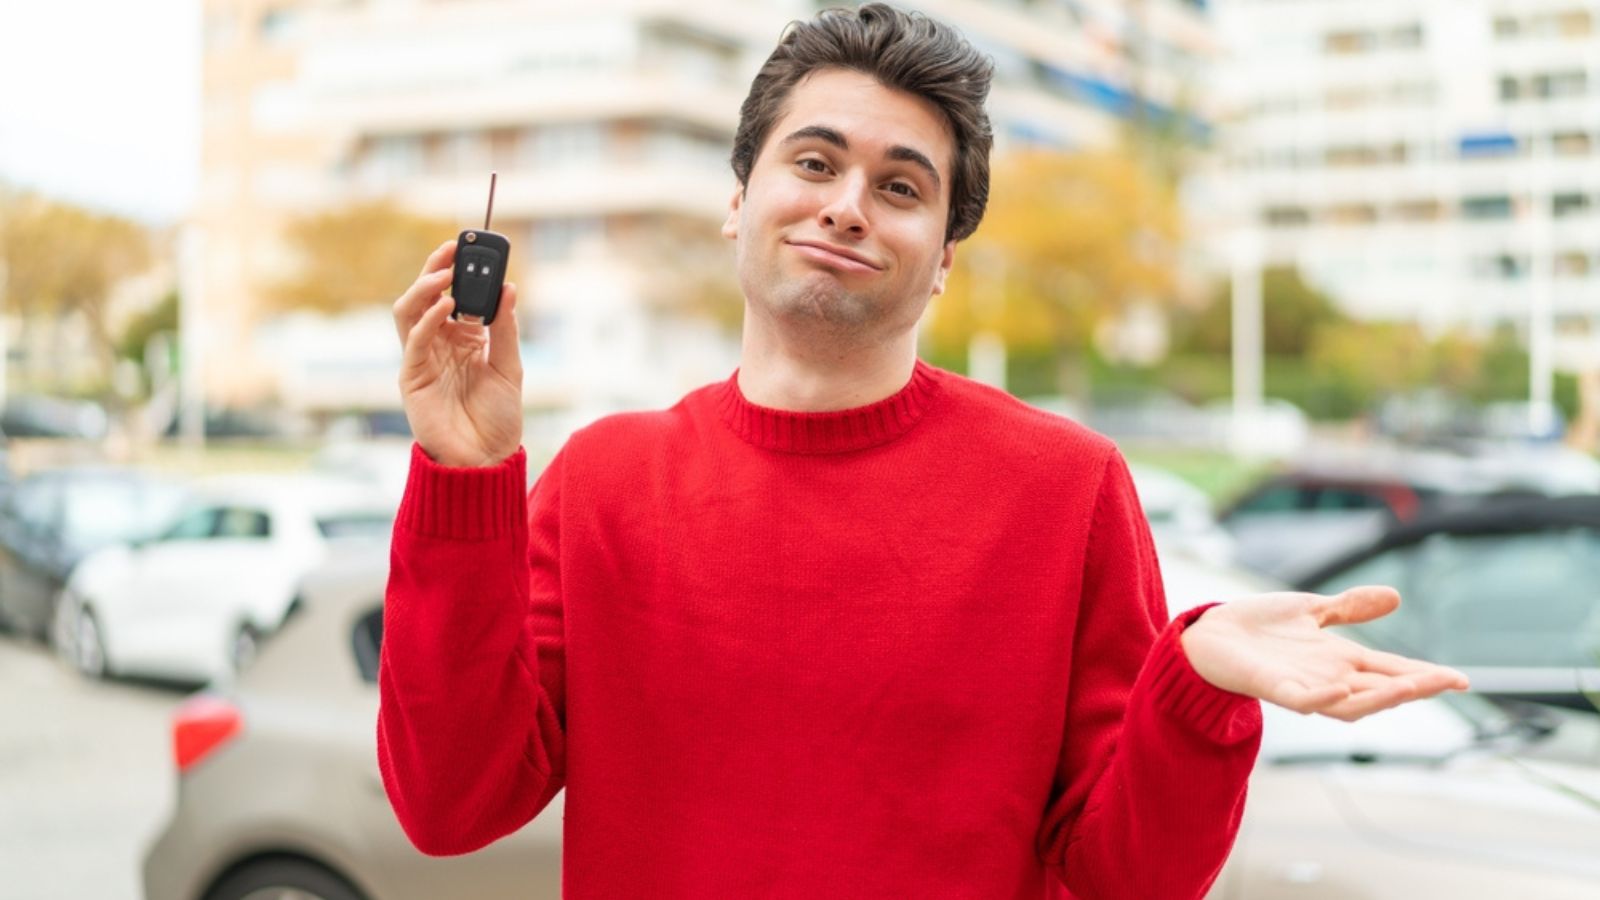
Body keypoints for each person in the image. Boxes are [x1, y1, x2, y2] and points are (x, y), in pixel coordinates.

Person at [379, 5, 1468, 898]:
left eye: (900, 187)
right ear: (738, 202)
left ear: (942, 258)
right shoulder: (605, 482)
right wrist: (465, 484)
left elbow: (1127, 878)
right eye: (813, 162)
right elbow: (449, 808)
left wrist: (1191, 687)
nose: (847, 207)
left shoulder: (1066, 489)